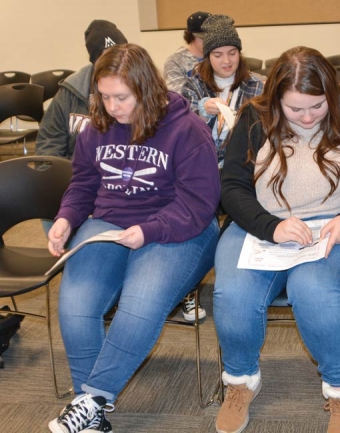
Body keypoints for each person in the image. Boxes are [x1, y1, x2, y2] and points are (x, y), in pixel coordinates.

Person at [213, 46, 340, 433]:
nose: (308, 117)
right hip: (261, 225)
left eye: (317, 106)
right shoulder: (253, 118)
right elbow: (232, 189)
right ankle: (240, 381)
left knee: (312, 287)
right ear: (276, 99)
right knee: (233, 294)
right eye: (296, 109)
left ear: (330, 94)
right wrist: (269, 226)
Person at [46, 43, 220, 433]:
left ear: (146, 89)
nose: (112, 107)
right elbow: (84, 184)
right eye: (104, 97)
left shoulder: (185, 128)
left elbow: (200, 203)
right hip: (111, 223)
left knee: (140, 304)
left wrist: (150, 230)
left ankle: (91, 399)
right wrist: (65, 218)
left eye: (121, 97)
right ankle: (91, 413)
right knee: (76, 305)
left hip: (179, 228)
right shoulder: (97, 127)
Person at [35, 19, 127, 159]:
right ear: (94, 61)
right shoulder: (71, 90)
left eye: (118, 55)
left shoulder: (139, 88)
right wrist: (51, 176)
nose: (113, 63)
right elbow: (50, 142)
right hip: (75, 175)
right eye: (105, 57)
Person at [181, 13, 264, 168]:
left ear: (240, 53)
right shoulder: (194, 85)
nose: (226, 61)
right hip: (203, 163)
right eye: (218, 55)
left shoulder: (255, 85)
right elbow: (184, 133)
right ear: (207, 57)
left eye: (232, 53)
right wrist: (202, 113)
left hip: (245, 164)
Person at [163, 11, 211, 93]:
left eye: (211, 37)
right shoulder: (175, 62)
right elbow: (178, 96)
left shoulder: (219, 57)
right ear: (191, 36)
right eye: (203, 38)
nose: (208, 41)